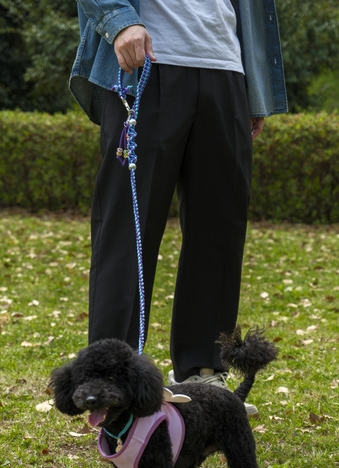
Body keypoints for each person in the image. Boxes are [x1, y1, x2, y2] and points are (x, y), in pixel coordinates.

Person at [70, 0, 287, 414]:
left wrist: (254, 86)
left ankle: (203, 371)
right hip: (146, 61)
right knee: (127, 229)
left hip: (225, 66)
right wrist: (119, 22)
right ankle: (110, 379)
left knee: (218, 230)